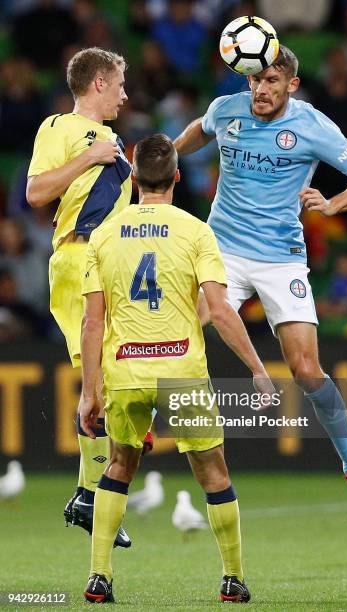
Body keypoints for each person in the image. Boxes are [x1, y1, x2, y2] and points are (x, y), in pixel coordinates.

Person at [173, 45, 347, 510]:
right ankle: (145, 420)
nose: (260, 90)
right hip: (222, 251)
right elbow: (200, 130)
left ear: (291, 84)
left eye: (271, 81)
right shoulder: (226, 109)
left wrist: (334, 205)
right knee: (182, 328)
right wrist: (170, 155)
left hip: (280, 259)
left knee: (306, 370)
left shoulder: (312, 126)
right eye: (255, 80)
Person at [79, 134, 274, 603]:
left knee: (120, 467)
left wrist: (89, 390)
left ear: (132, 175)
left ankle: (99, 575)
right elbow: (222, 311)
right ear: (177, 177)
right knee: (213, 475)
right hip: (181, 370)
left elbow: (92, 321)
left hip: (125, 371)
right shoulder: (196, 232)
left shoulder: (104, 234)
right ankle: (232, 577)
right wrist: (257, 367)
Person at [26, 47, 152, 547]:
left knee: (120, 377)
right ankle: (88, 496)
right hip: (78, 261)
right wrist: (87, 157)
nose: (125, 93)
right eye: (119, 83)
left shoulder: (116, 143)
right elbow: (36, 193)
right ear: (98, 83)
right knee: (97, 382)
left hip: (111, 265)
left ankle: (87, 495)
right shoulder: (59, 127)